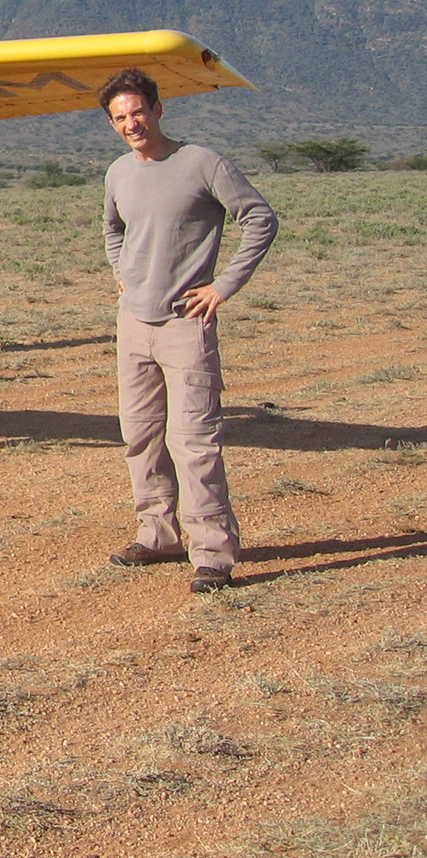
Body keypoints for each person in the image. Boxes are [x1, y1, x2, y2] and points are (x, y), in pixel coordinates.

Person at [98, 68, 278, 594]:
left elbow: (260, 219)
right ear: (111, 124)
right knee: (141, 435)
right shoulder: (117, 174)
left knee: (194, 442)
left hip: (186, 324)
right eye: (119, 117)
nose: (131, 123)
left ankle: (213, 555)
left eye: (137, 111)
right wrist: (123, 275)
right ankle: (158, 534)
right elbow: (113, 229)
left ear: (158, 109)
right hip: (134, 323)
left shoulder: (201, 162)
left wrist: (222, 286)